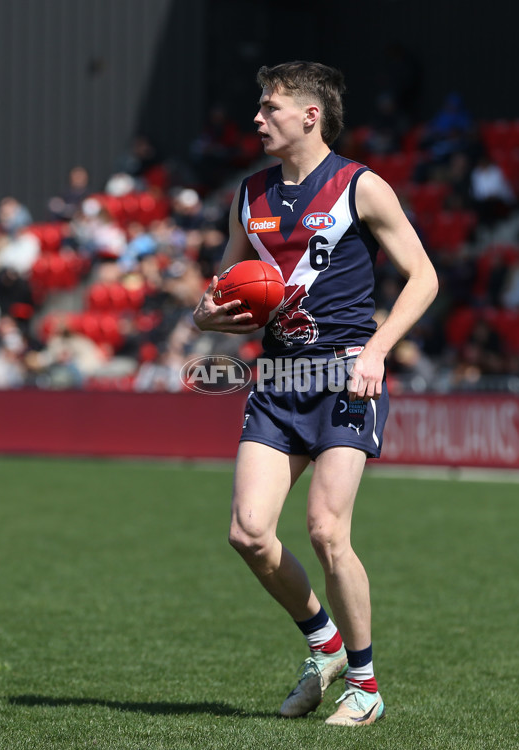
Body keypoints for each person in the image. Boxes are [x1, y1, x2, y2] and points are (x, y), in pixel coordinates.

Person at [193, 61, 438, 727]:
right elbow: (219, 295)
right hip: (276, 381)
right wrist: (204, 318)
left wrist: (379, 351)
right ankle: (323, 645)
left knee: (328, 529)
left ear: (309, 115)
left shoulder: (363, 187)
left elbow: (424, 277)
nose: (256, 118)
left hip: (344, 379)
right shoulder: (250, 195)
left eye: (270, 107)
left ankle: (365, 686)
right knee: (248, 532)